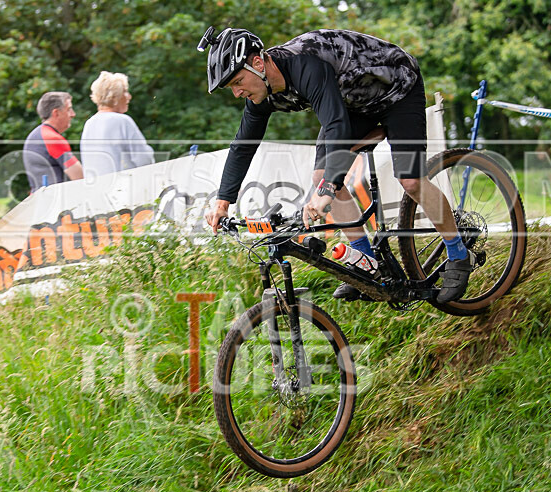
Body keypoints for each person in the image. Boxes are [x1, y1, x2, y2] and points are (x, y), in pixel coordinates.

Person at [199, 27, 474, 303]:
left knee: (410, 180)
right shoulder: (261, 95)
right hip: (355, 105)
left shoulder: (306, 65)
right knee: (321, 175)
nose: (236, 93)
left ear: (258, 63)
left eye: (237, 82)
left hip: (398, 90)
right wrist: (223, 202)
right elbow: (242, 147)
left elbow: (336, 126)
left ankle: (459, 252)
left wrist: (328, 190)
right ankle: (367, 260)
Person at [80, 71, 155, 178]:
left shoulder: (89, 124)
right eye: (125, 91)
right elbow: (144, 159)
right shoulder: (122, 121)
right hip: (124, 187)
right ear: (114, 97)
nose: (129, 96)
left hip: (96, 188)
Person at [23, 91, 84, 193]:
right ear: (56, 113)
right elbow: (79, 177)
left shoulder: (37, 134)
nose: (73, 114)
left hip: (40, 199)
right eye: (69, 109)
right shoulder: (51, 138)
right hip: (54, 202)